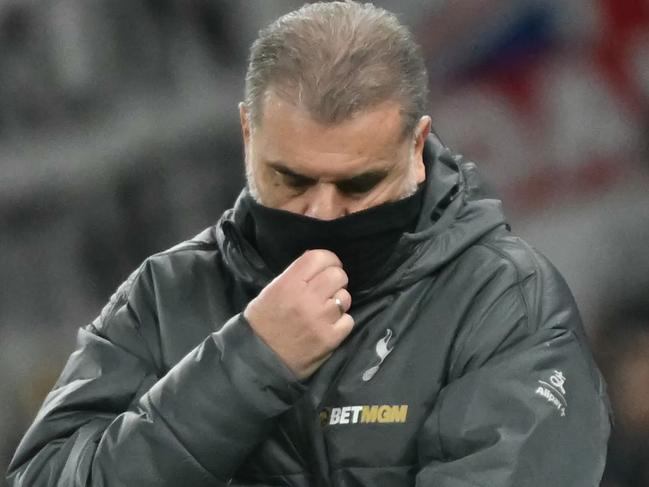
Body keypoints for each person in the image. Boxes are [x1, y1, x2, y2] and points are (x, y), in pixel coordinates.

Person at [7, 2, 610, 486]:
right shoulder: (164, 295)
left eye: (358, 183)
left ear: (416, 146)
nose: (322, 213)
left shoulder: (504, 302)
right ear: (248, 132)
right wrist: (244, 364)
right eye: (291, 179)